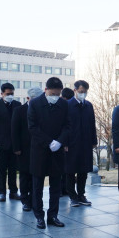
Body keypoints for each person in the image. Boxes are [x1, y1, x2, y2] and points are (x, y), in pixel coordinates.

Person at [28, 77, 70, 229]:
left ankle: (53, 215)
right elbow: (32, 127)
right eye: (53, 93)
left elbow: (68, 125)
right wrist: (48, 142)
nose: (55, 97)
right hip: (39, 150)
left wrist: (59, 141)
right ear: (46, 90)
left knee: (56, 186)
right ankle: (39, 216)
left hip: (57, 151)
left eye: (58, 94)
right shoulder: (34, 103)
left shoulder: (63, 104)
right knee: (37, 185)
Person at [65, 80, 97, 207]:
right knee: (70, 171)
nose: (83, 94)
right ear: (75, 91)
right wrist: (64, 143)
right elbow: (63, 126)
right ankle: (72, 196)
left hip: (86, 142)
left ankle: (81, 194)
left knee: (83, 170)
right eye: (81, 91)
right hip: (71, 143)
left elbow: (92, 124)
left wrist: (94, 141)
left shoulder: (88, 106)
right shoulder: (67, 105)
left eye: (85, 92)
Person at [12, 87, 43, 212]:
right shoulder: (19, 110)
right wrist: (16, 148)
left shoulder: (42, 110)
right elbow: (14, 131)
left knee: (37, 176)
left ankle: (35, 200)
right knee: (25, 175)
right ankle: (25, 200)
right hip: (24, 149)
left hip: (39, 147)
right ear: (28, 98)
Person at [0, 82, 22, 202]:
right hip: (1, 143)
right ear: (2, 94)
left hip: (15, 144)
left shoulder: (18, 105)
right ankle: (2, 192)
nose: (10, 96)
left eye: (12, 93)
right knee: (2, 170)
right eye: (8, 94)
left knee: (13, 169)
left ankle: (13, 191)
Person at [60, 87, 75, 196]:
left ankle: (66, 189)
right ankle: (60, 189)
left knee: (67, 168)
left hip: (70, 142)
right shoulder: (60, 106)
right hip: (61, 142)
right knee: (60, 168)